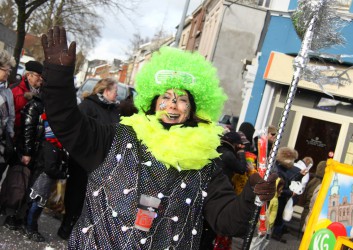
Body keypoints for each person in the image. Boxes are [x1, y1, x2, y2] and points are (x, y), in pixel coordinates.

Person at [41, 27, 277, 249]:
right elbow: (67, 123)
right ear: (153, 103)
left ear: (193, 109)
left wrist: (250, 197)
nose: (173, 104)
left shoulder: (206, 162)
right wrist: (59, 77)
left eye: (182, 99)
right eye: (166, 96)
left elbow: (227, 221)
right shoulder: (116, 137)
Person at [58, 78, 121, 240]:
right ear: (105, 91)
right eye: (115, 90)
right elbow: (75, 128)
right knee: (76, 194)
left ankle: (84, 230)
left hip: (103, 162)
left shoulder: (115, 110)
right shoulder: (88, 106)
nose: (117, 94)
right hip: (82, 159)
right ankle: (67, 226)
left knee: (93, 198)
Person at [20, 94, 68, 242]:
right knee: (35, 206)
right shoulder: (50, 146)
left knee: (36, 205)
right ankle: (30, 228)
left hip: (44, 182)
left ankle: (29, 226)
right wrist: (63, 175)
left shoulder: (54, 146)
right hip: (42, 182)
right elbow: (49, 168)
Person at [271, 146, 298, 243]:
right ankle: (274, 233)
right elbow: (279, 189)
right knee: (276, 217)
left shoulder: (279, 168)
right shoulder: (280, 171)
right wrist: (291, 193)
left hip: (278, 198)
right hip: (277, 199)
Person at [11, 60, 43, 140]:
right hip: (17, 136)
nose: (41, 78)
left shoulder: (43, 91)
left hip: (35, 137)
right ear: (29, 75)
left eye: (42, 76)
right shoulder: (15, 90)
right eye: (38, 75)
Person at [0, 50, 15, 179]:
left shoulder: (8, 92)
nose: (8, 73)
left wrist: (10, 134)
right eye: (6, 70)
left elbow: (11, 117)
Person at [300, 160, 327, 231]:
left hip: (307, 206)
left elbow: (306, 193)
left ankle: (302, 228)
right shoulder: (321, 183)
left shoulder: (313, 180)